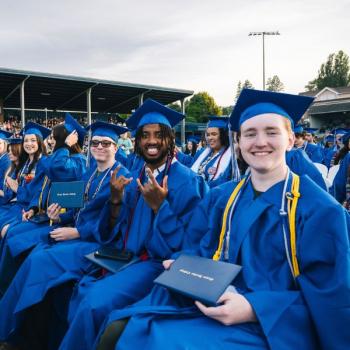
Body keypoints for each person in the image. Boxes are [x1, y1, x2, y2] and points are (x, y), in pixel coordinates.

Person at [101, 89, 350, 350]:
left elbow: (333, 299)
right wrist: (184, 265)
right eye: (250, 134)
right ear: (239, 142)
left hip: (273, 326)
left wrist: (256, 307)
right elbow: (197, 247)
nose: (260, 141)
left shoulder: (321, 211)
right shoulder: (222, 198)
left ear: (290, 139)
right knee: (120, 328)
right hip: (209, 303)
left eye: (271, 132)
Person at [58, 99, 208, 350]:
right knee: (74, 287)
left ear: (171, 140)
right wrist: (116, 201)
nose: (152, 141)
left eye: (159, 135)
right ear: (136, 142)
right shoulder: (134, 178)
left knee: (94, 302)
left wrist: (160, 207)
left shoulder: (188, 182)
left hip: (157, 266)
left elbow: (190, 247)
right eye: (145, 135)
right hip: (123, 257)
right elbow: (114, 232)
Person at [0, 121, 130, 350]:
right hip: (75, 232)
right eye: (96, 143)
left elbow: (114, 222)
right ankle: (19, 329)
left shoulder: (121, 176)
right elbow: (79, 207)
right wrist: (60, 216)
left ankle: (16, 329)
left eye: (106, 143)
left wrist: (77, 231)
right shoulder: (91, 171)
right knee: (34, 252)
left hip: (97, 241)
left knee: (40, 260)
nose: (100, 147)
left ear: (116, 147)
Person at [0, 115, 87, 294]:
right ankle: (7, 285)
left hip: (63, 219)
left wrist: (64, 146)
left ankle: (8, 287)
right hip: (45, 214)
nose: (50, 142)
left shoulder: (78, 161)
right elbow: (43, 189)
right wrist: (33, 208)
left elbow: (59, 168)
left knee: (16, 238)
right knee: (13, 235)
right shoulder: (54, 158)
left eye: (54, 138)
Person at [177, 116, 232, 188]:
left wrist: (199, 187)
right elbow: (191, 164)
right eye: (208, 135)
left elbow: (224, 183)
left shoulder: (230, 158)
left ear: (223, 135)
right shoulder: (202, 153)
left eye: (214, 134)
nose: (210, 138)